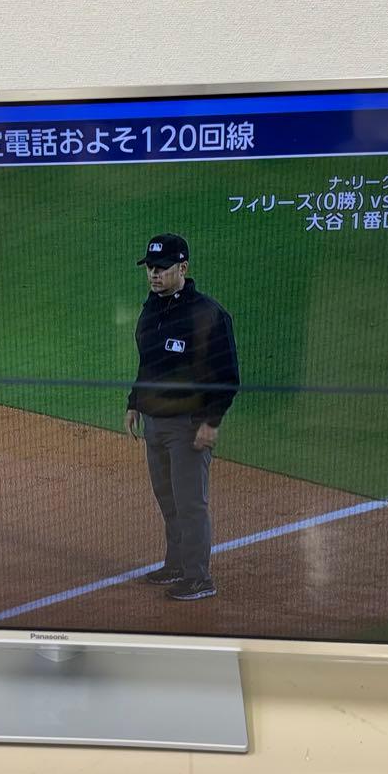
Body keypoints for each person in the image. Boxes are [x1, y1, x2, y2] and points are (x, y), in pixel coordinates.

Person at [125, 233, 240, 601]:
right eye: (150, 267)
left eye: (161, 268)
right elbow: (148, 363)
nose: (154, 274)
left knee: (190, 504)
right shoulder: (151, 309)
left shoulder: (207, 314)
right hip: (154, 423)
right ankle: (175, 565)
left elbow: (227, 377)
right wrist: (134, 402)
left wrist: (211, 422)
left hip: (188, 426)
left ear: (183, 268)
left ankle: (198, 578)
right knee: (168, 499)